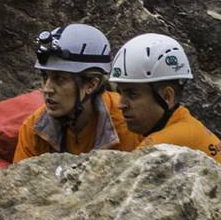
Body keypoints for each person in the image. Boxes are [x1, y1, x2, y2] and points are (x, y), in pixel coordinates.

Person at [13, 23, 144, 162]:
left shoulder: (129, 125)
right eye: (45, 76)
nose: (47, 89)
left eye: (60, 78)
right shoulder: (34, 129)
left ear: (91, 84)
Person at [110, 33, 221, 165]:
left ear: (167, 97)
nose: (121, 104)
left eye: (132, 94)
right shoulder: (182, 123)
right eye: (120, 92)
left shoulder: (164, 144)